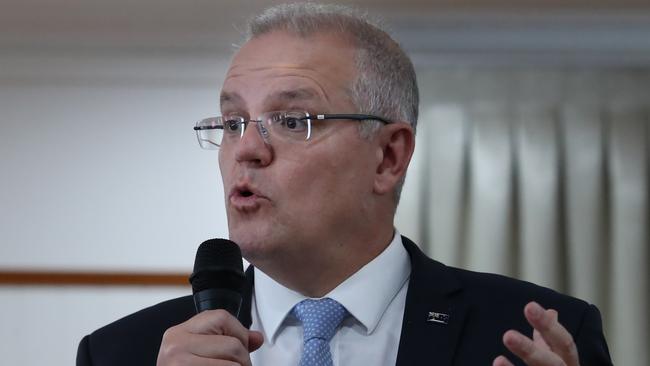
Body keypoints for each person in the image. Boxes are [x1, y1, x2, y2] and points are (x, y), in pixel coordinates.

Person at [77, 3, 612, 366]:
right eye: (234, 122)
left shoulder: (527, 338)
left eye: (293, 121)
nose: (246, 148)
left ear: (388, 156)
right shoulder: (123, 353)